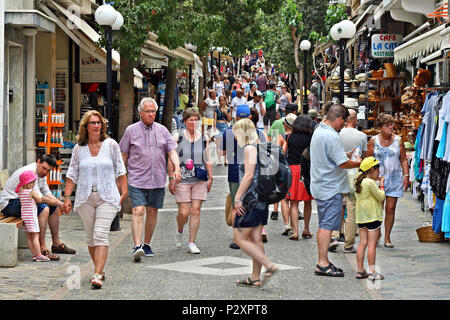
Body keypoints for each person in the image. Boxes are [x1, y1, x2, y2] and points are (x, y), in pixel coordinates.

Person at [65, 110, 127, 289]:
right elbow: (72, 174)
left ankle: (97, 274)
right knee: (91, 238)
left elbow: (120, 169)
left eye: (99, 123)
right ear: (86, 126)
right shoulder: (79, 148)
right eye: (93, 123)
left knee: (100, 234)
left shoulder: (111, 145)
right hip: (85, 198)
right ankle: (99, 267)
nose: (97, 126)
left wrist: (123, 192)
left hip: (107, 196)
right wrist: (67, 198)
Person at [119, 97, 181, 261]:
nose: (150, 114)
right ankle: (136, 245)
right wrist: (119, 176)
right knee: (138, 210)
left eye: (153, 111)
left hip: (158, 178)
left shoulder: (162, 130)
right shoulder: (131, 131)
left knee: (152, 211)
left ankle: (146, 244)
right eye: (147, 111)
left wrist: (177, 168)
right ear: (140, 113)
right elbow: (123, 154)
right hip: (136, 178)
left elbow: (172, 151)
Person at [310, 104, 361, 277]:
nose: (343, 126)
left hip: (322, 184)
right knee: (326, 225)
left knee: (324, 223)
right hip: (329, 186)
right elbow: (342, 164)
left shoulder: (320, 130)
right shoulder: (331, 136)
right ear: (339, 119)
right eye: (343, 122)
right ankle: (322, 263)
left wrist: (345, 155)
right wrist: (360, 163)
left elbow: (332, 157)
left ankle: (322, 261)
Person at [0, 154, 76, 261]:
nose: (45, 172)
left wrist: (59, 204)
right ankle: (42, 248)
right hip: (9, 204)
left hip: (23, 201)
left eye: (48, 171)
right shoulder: (30, 173)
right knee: (44, 208)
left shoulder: (41, 175)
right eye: (43, 168)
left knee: (53, 208)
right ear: (38, 162)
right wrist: (60, 203)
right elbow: (40, 198)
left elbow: (46, 193)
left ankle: (56, 243)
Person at [233, 118, 279, 288]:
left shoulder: (250, 149)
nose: (235, 137)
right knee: (255, 238)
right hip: (262, 198)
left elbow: (249, 176)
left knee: (239, 238)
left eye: (236, 133)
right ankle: (255, 277)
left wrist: (237, 198)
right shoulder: (261, 146)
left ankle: (268, 265)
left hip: (251, 199)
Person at [220, 105, 267, 249]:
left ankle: (237, 238)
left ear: (235, 116)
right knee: (254, 204)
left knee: (236, 205)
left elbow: (223, 153)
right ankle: (256, 233)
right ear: (250, 116)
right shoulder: (259, 133)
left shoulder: (228, 131)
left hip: (235, 172)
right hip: (257, 176)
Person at [168, 109, 213, 254]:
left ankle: (192, 242)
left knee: (196, 210)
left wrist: (211, 177)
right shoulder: (177, 137)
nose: (193, 123)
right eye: (190, 120)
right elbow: (171, 158)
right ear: (185, 121)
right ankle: (180, 228)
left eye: (196, 120)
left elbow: (207, 157)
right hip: (182, 178)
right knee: (184, 212)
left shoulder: (204, 137)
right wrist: (171, 178)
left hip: (200, 177)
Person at [366, 113, 409, 248]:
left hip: (395, 178)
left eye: (392, 125)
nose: (391, 127)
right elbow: (368, 160)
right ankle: (376, 233)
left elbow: (403, 159)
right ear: (380, 128)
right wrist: (367, 178)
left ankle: (387, 237)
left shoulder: (399, 140)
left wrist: (406, 176)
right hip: (378, 180)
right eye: (387, 125)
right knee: (378, 208)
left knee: (390, 209)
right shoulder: (373, 141)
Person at [337, 109, 367, 254]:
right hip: (354, 174)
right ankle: (348, 243)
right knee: (351, 209)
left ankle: (335, 236)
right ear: (354, 120)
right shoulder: (362, 136)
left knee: (336, 206)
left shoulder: (337, 134)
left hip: (338, 173)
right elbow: (365, 157)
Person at [354, 156, 386, 281]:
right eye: (377, 169)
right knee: (372, 245)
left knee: (362, 243)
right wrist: (382, 185)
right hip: (372, 216)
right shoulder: (370, 182)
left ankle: (360, 270)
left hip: (361, 217)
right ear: (372, 169)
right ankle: (372, 271)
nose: (379, 172)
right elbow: (380, 196)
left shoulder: (358, 180)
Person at [284, 115, 315, 240]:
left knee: (294, 202)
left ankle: (295, 231)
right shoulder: (311, 138)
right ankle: (306, 229)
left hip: (293, 170)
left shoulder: (290, 137)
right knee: (308, 201)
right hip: (306, 170)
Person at [16, 170, 50, 262]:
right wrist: (39, 195)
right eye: (33, 182)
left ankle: (34, 254)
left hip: (25, 217)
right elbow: (39, 200)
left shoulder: (20, 191)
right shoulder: (31, 192)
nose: (34, 184)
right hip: (31, 217)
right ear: (28, 182)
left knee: (29, 237)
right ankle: (39, 254)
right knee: (35, 236)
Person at [214, 96, 231, 166]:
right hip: (218, 127)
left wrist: (226, 113)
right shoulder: (217, 110)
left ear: (225, 101)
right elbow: (214, 119)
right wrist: (214, 128)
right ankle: (219, 160)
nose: (221, 102)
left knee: (225, 144)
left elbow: (229, 120)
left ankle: (225, 160)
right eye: (220, 100)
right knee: (218, 145)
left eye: (223, 100)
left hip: (224, 126)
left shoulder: (228, 109)